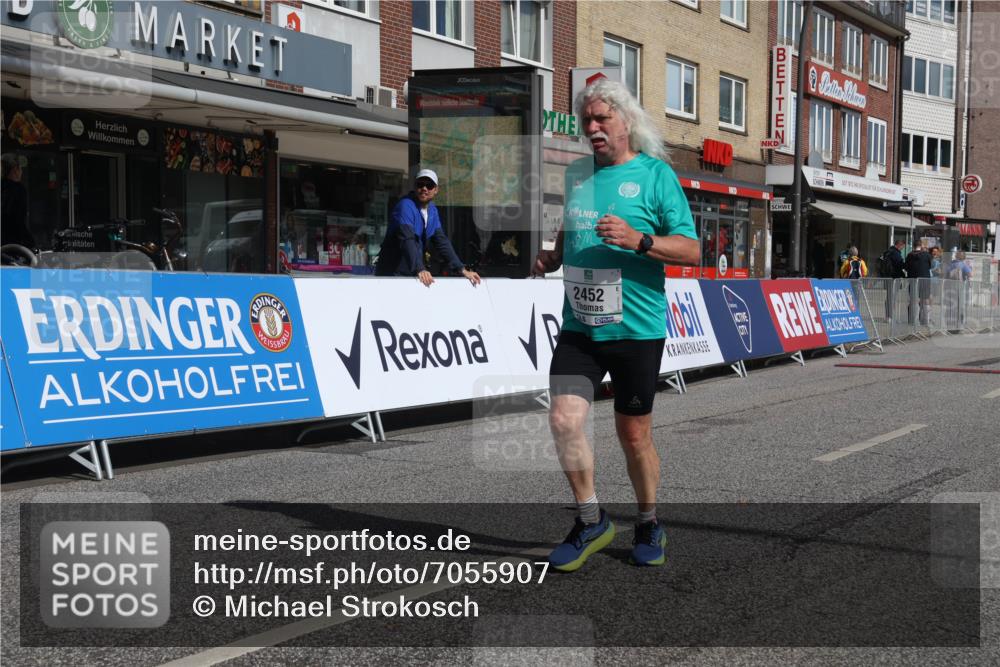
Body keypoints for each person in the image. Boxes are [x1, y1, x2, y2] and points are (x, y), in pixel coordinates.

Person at [531, 79, 699, 571]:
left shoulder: (655, 176)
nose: (593, 128)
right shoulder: (578, 173)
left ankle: (648, 520)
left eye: (603, 118)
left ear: (627, 122)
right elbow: (570, 226)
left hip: (636, 330)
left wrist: (638, 240)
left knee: (634, 436)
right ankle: (590, 520)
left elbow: (691, 250)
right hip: (580, 327)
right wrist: (552, 255)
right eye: (588, 121)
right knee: (563, 420)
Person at [375, 169, 480, 287]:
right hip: (392, 275)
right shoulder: (405, 206)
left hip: (411, 275)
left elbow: (441, 241)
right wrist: (419, 268)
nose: (424, 188)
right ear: (415, 187)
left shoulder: (432, 210)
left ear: (436, 190)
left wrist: (462, 269)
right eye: (420, 184)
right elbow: (407, 239)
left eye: (429, 185)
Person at [1, 153, 34, 249]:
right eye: (19, 168)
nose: (21, 172)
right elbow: (16, 219)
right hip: (11, 243)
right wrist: (29, 242)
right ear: (14, 170)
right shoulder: (17, 190)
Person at [905, 241, 932, 325]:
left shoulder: (909, 255)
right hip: (925, 280)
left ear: (913, 246)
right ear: (921, 246)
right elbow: (930, 266)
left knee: (913, 300)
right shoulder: (926, 255)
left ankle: (913, 321)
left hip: (913, 280)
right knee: (925, 300)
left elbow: (906, 267)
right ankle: (925, 320)